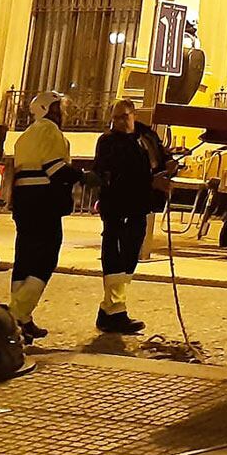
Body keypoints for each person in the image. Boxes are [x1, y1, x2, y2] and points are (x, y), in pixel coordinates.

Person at [9, 89, 81, 341]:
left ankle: (23, 319)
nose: (63, 113)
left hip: (24, 202)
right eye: (59, 107)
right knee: (45, 259)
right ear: (48, 109)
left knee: (24, 258)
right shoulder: (50, 131)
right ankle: (17, 313)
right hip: (44, 202)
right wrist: (83, 177)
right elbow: (56, 169)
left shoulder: (26, 135)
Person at [91, 98, 167, 334]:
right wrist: (150, 181)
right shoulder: (108, 142)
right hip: (117, 206)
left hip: (140, 206)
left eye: (124, 117)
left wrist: (169, 166)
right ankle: (115, 311)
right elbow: (118, 173)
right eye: (115, 118)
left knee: (130, 255)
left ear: (133, 115)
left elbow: (159, 158)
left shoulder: (147, 137)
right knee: (115, 256)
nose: (120, 122)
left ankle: (109, 310)